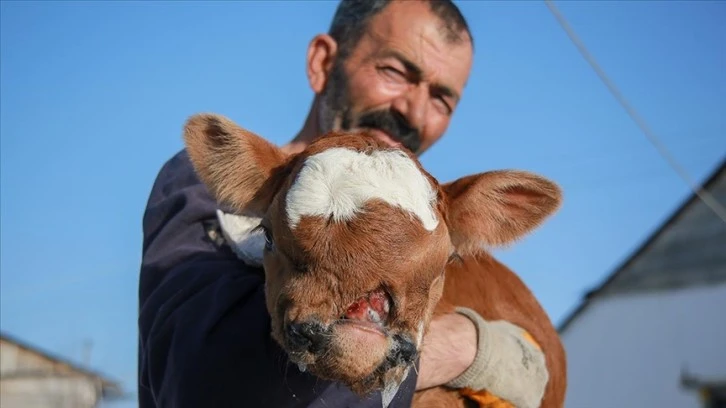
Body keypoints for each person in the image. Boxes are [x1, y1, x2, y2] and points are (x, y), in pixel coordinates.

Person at [137, 1, 549, 407]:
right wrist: (467, 349)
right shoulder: (208, 186)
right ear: (322, 63)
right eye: (394, 71)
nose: (414, 111)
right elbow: (203, 381)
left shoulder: (432, 223)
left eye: (441, 99)